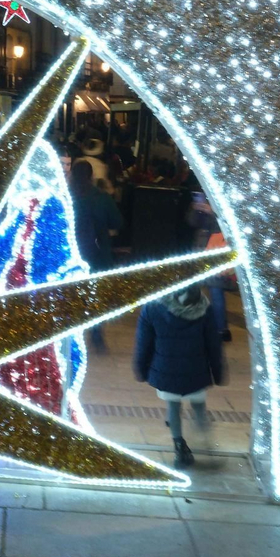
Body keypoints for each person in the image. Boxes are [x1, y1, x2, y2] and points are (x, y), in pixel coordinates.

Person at [132, 284, 226, 468]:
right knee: (199, 405)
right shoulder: (205, 308)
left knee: (173, 406)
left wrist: (141, 369)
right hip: (196, 370)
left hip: (167, 370)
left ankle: (180, 448)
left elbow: (143, 342)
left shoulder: (153, 307)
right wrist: (218, 372)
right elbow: (214, 345)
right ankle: (205, 442)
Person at [68, 160, 117, 350]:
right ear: (91, 176)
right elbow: (117, 222)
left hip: (71, 252)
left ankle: (72, 333)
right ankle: (96, 333)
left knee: (72, 292)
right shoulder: (101, 197)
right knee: (95, 293)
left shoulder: (66, 195)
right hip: (97, 252)